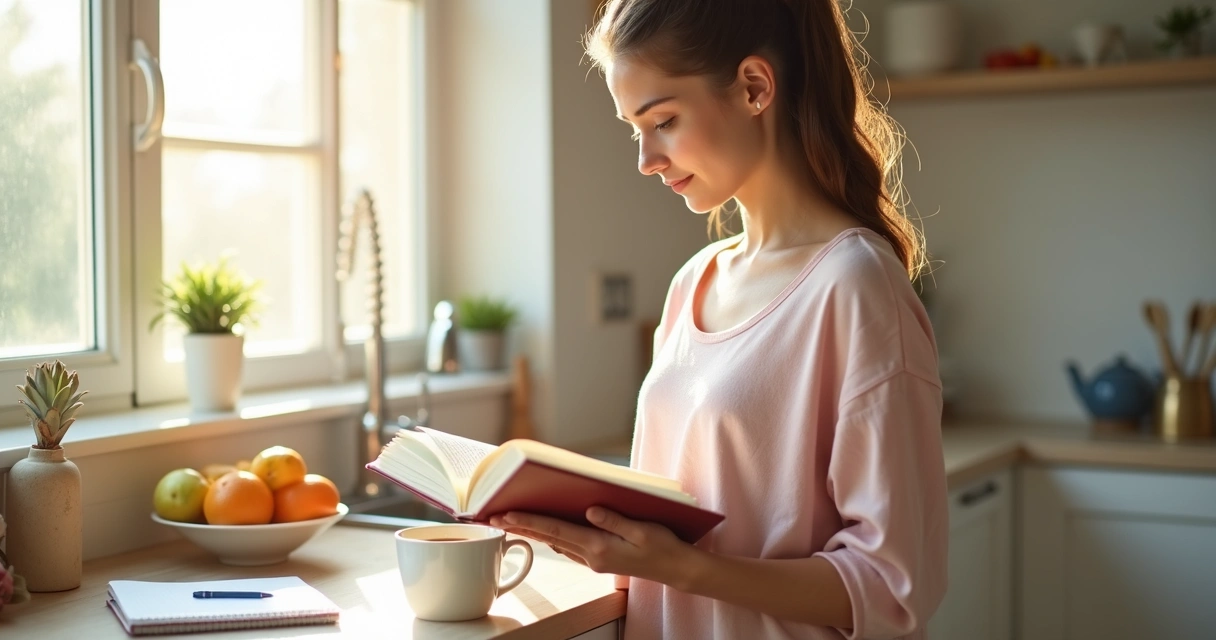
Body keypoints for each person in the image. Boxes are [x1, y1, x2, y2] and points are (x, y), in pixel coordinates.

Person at [489, 0, 948, 637]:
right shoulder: (691, 285)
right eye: (635, 129)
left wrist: (687, 569)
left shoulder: (857, 287)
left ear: (755, 87)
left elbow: (894, 589)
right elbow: (681, 522)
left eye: (664, 120)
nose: (646, 158)